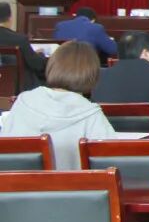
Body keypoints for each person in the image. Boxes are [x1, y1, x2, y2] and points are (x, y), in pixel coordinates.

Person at [0, 40, 115, 169]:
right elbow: (110, 163)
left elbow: (5, 151)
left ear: (52, 66)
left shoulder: (23, 101)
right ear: (93, 74)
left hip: (15, 181)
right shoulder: (91, 115)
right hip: (72, 182)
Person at [0, 1, 46, 91]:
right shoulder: (20, 39)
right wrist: (40, 55)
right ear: (10, 19)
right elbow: (37, 65)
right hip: (18, 88)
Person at [53, 7, 117, 58]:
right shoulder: (96, 27)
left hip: (62, 65)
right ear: (93, 20)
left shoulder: (60, 25)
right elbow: (113, 49)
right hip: (86, 66)